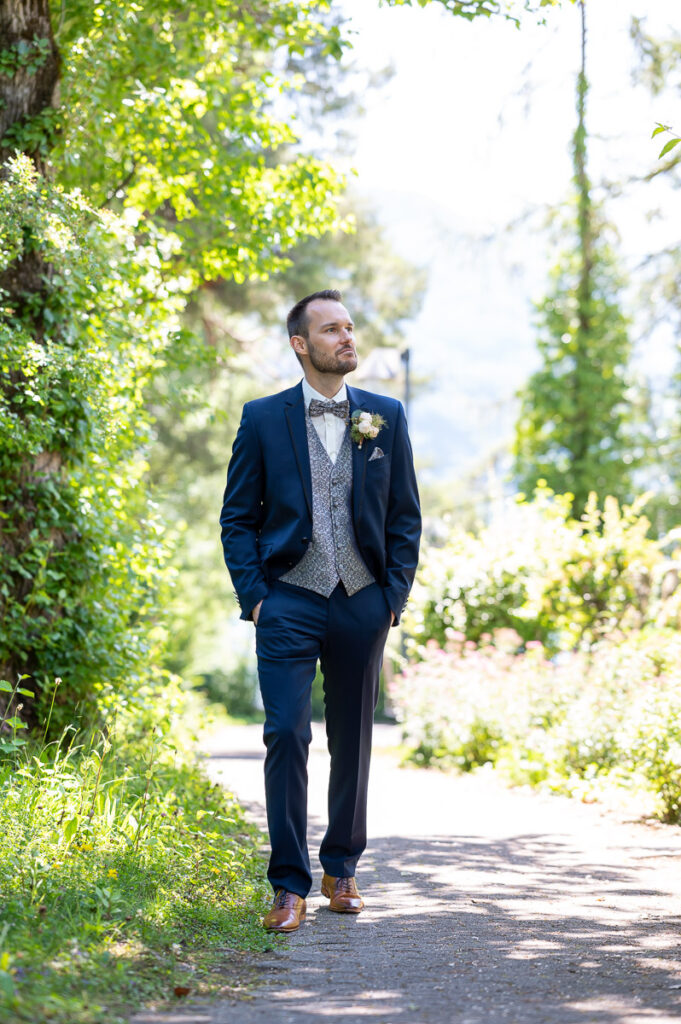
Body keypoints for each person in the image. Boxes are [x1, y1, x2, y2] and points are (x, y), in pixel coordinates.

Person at [219, 289, 421, 933]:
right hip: (287, 600)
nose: (347, 337)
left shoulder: (386, 416)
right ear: (301, 345)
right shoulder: (261, 418)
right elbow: (237, 518)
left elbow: (405, 517)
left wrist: (391, 600)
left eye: (350, 327)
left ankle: (342, 869)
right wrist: (257, 597)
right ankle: (288, 884)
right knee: (286, 732)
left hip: (363, 601)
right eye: (331, 329)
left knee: (353, 740)